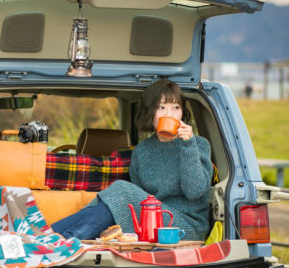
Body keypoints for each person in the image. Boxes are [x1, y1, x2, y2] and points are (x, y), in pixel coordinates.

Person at [51, 79, 213, 241]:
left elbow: (195, 192)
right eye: (161, 107)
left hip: (186, 226)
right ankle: (49, 235)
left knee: (121, 190)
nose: (169, 114)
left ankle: (66, 240)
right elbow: (137, 202)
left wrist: (187, 145)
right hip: (152, 221)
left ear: (182, 113)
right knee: (106, 201)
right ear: (150, 114)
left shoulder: (198, 144)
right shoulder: (142, 151)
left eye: (176, 107)